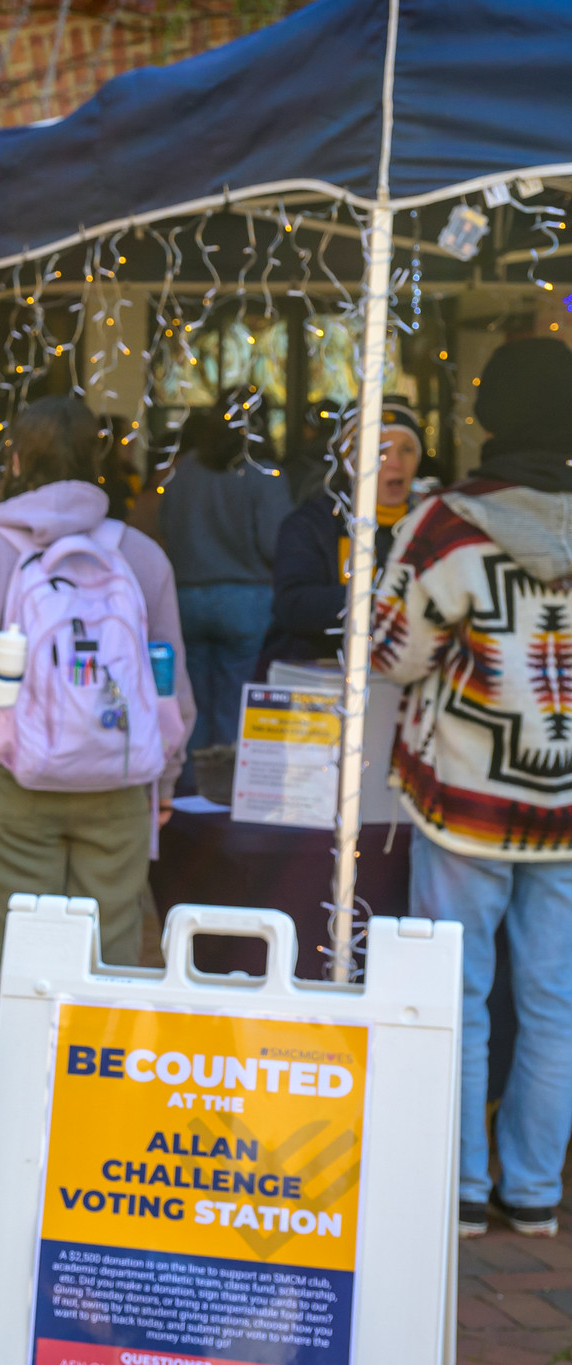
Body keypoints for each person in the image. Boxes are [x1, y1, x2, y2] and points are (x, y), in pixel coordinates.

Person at [371, 338, 572, 1241]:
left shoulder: (446, 523)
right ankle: (532, 1190)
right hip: (568, 807)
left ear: (487, 413)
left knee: (452, 993)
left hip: (463, 795)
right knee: (556, 1001)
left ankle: (456, 1184)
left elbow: (390, 651)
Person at [0, 395, 195, 970]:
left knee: (21, 959)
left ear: (16, 462)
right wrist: (165, 779)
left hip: (15, 783)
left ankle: (23, 1059)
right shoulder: (142, 556)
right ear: (99, 459)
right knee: (111, 953)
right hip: (120, 780)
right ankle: (97, 1058)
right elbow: (167, 677)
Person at [153, 388, 295, 751]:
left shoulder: (185, 468)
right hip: (246, 597)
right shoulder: (265, 473)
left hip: (187, 594)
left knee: (190, 699)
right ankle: (225, 793)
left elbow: (166, 526)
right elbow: (274, 543)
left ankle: (190, 789)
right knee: (237, 701)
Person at [257, 397, 423, 674]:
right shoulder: (312, 524)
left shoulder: (427, 525)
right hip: (319, 674)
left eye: (406, 450)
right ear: (350, 460)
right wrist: (381, 603)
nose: (395, 463)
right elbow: (293, 606)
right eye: (381, 451)